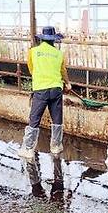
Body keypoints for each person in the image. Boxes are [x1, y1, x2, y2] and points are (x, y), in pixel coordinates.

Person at [18, 26, 72, 159]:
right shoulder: (59, 54)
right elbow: (63, 71)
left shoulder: (33, 52)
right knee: (57, 118)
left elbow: (31, 69)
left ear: (42, 39)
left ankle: (29, 149)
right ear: (54, 40)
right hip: (56, 89)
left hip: (41, 89)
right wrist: (68, 83)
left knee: (35, 119)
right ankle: (56, 146)